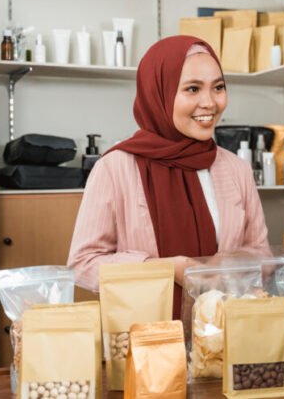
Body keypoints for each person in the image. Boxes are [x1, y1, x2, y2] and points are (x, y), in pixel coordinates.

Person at [68, 35, 272, 317]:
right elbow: (83, 264)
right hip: (145, 341)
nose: (210, 103)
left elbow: (262, 255)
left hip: (222, 335)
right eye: (192, 89)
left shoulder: (236, 169)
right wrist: (165, 269)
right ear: (159, 93)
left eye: (218, 87)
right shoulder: (115, 168)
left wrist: (229, 261)